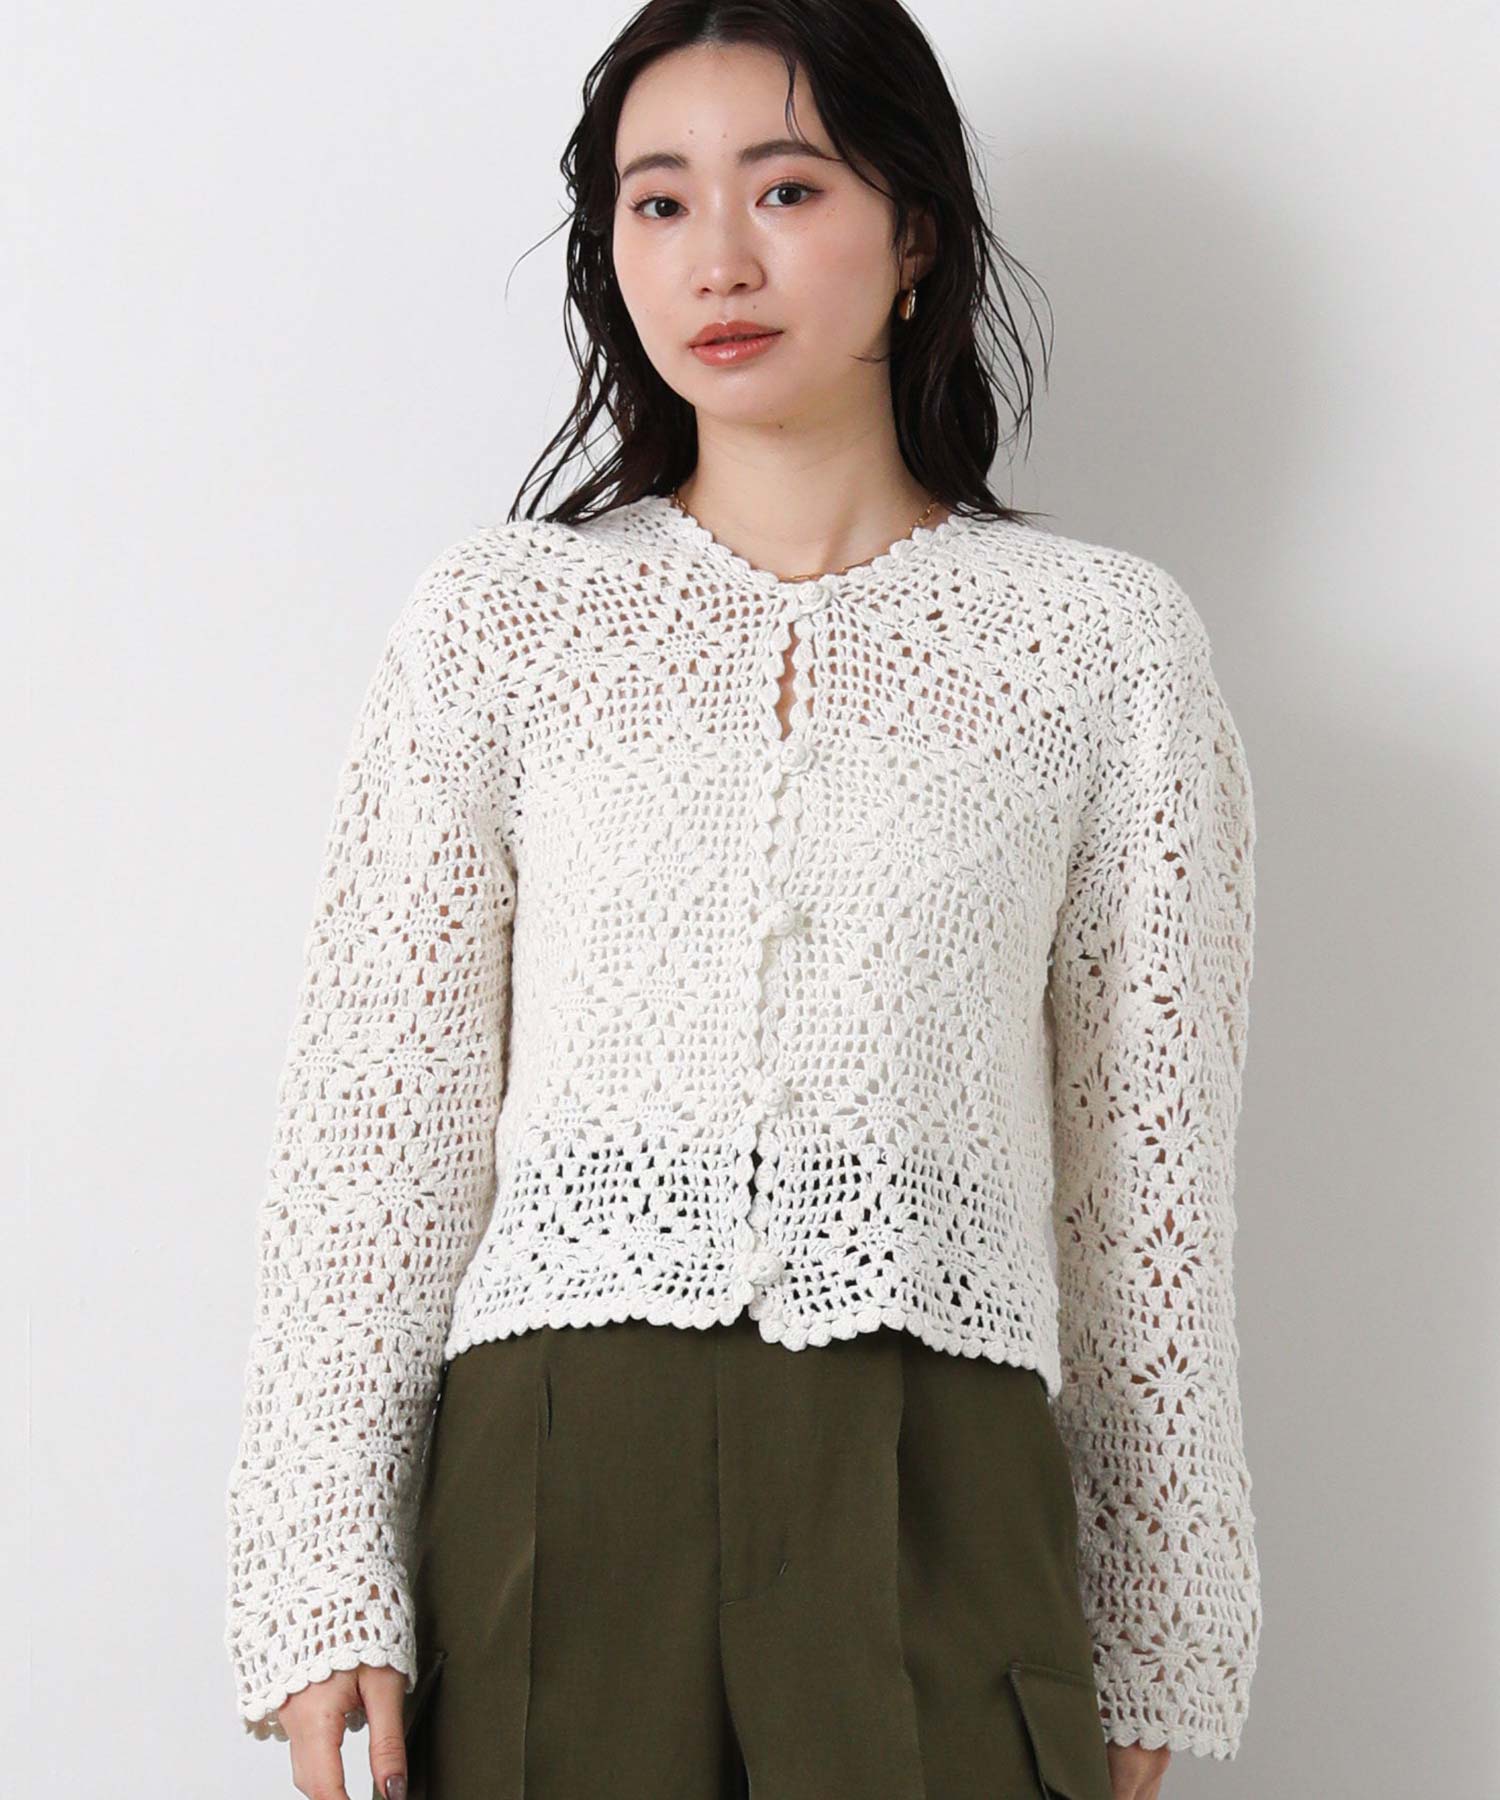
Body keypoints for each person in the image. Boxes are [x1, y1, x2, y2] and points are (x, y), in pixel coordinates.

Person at [222, 4, 1262, 1797]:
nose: (717, 258)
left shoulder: (1104, 650)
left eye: (786, 188)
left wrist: (1165, 1611)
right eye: (658, 201)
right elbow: (373, 1145)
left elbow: (1149, 1201)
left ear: (914, 229)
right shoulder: (501, 628)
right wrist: (324, 1571)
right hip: (551, 1484)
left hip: (941, 1485)